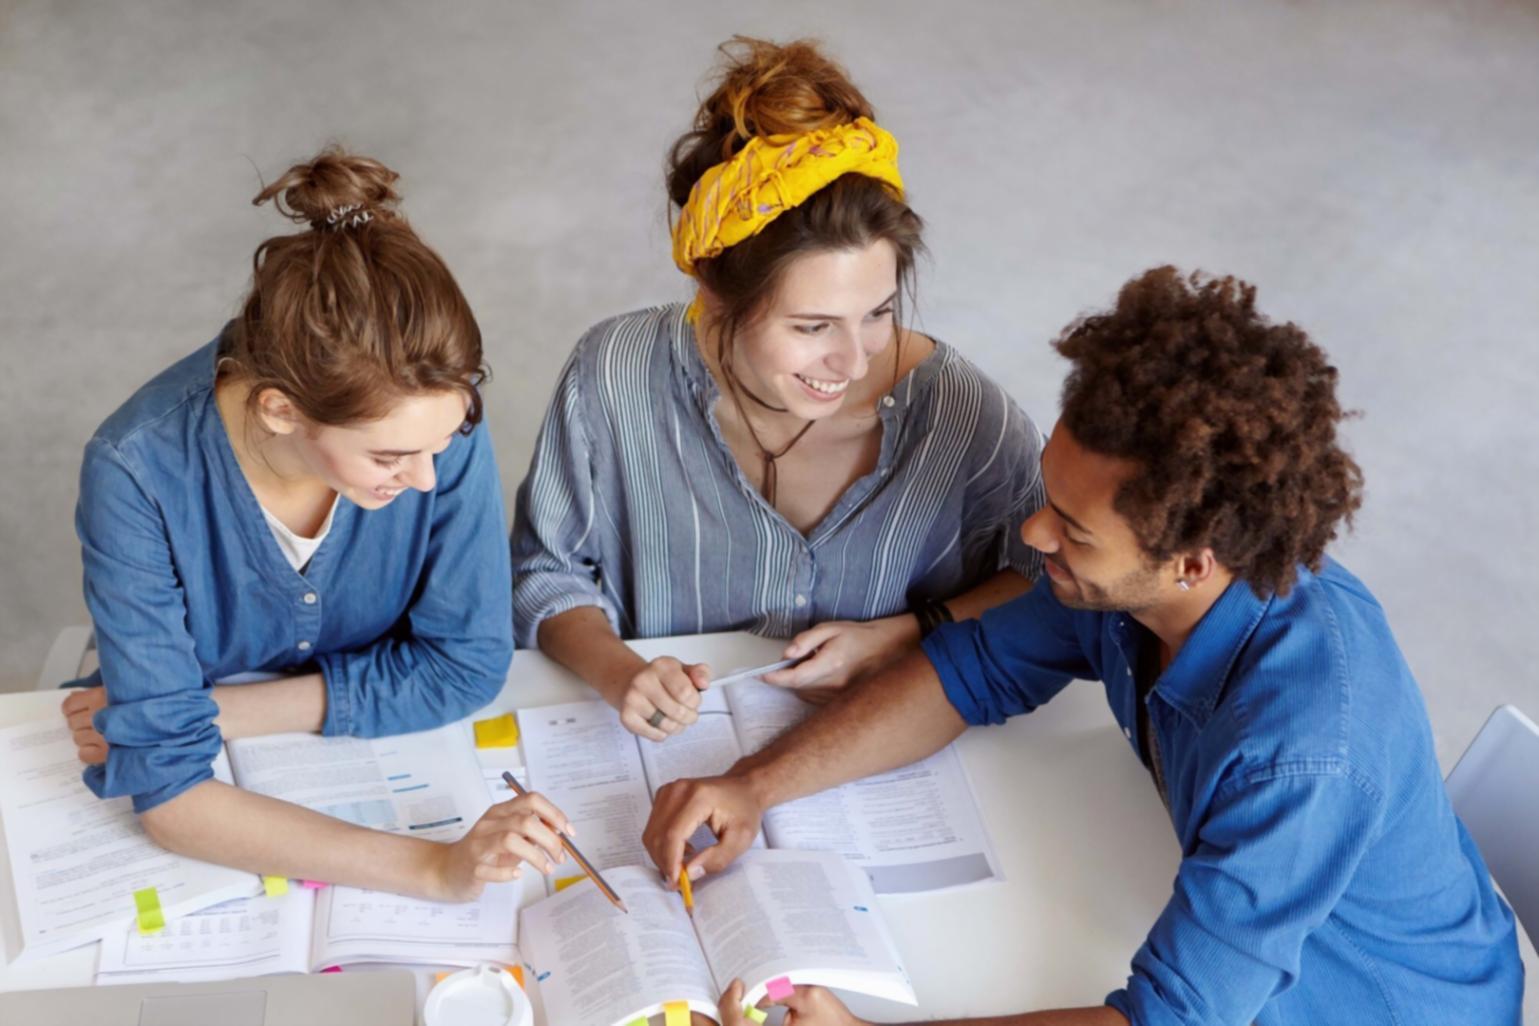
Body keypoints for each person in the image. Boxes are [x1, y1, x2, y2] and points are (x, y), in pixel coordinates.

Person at [645, 267, 1525, 1025]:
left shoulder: (1303, 755)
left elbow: (1166, 1020)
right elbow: (969, 671)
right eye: (1048, 499)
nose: (1034, 536)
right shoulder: (1124, 585)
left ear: (1188, 561)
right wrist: (752, 787)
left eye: (1070, 527)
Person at [61, 149, 573, 902]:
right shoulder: (135, 470)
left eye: (442, 443)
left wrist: (207, 712)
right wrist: (433, 868)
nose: (427, 478)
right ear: (280, 410)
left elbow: (465, 664)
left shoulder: (435, 423)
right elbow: (170, 799)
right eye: (391, 456)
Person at [511, 37, 1043, 742]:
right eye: (813, 325)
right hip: (661, 756)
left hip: (897, 758)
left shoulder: (963, 416)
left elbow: (1048, 580)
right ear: (713, 293)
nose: (853, 361)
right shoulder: (612, 374)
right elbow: (547, 570)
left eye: (877, 313)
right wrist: (618, 671)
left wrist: (910, 634)